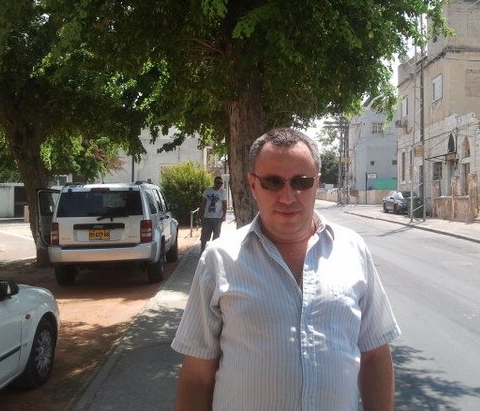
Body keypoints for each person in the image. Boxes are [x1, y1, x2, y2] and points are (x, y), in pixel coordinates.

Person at [172, 128, 401, 411]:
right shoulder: (219, 259)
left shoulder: (353, 249)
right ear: (253, 185)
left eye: (301, 182)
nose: (288, 196)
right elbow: (197, 376)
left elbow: (375, 355)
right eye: (273, 182)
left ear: (317, 183)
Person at [197, 176, 227, 253]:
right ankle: (202, 251)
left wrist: (224, 215)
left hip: (217, 218)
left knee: (216, 236)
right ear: (214, 182)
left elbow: (224, 205)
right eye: (218, 183)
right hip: (207, 217)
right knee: (204, 235)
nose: (220, 184)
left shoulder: (223, 192)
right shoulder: (208, 190)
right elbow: (203, 203)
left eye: (221, 183)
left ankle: (214, 252)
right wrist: (200, 214)